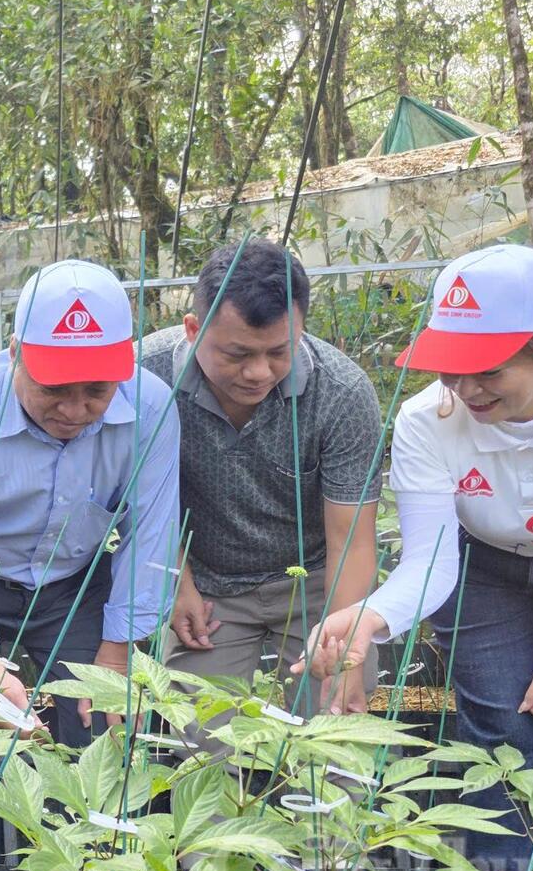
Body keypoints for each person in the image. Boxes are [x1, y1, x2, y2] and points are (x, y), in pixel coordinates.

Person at [298, 244, 533, 870]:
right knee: (500, 734)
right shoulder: (427, 420)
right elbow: (430, 560)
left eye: (490, 369)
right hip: (481, 572)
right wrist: (371, 618)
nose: (467, 388)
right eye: (453, 367)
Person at [0, 258, 181, 750]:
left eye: (97, 390)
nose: (75, 410)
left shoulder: (152, 407)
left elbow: (151, 535)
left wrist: (118, 653)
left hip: (73, 583)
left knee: (103, 730)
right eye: (53, 388)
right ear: (14, 354)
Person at [138, 240, 383, 715]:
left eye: (278, 352)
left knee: (336, 738)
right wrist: (177, 580)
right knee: (203, 743)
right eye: (236, 353)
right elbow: (141, 500)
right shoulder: (145, 380)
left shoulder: (342, 394)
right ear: (192, 329)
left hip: (314, 581)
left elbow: (351, 541)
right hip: (207, 586)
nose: (257, 372)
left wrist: (345, 641)